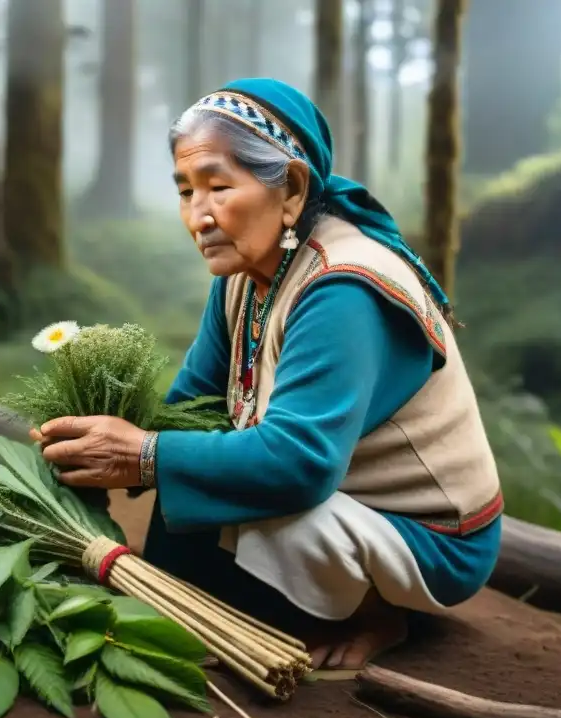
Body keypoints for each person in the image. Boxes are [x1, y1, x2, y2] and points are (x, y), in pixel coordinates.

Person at [33, 78, 503, 671]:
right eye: (184, 192)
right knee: (191, 518)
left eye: (218, 187)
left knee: (231, 490)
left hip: (430, 535)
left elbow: (301, 462)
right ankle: (294, 595)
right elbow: (195, 409)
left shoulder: (343, 288)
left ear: (291, 190)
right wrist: (91, 439)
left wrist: (144, 455)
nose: (197, 217)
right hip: (338, 491)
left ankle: (377, 611)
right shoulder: (242, 273)